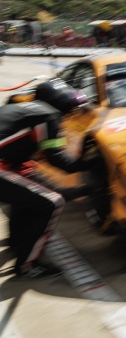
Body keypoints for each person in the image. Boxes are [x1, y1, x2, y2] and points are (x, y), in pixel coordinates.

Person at [0, 78, 90, 278]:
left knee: (27, 194)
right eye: (71, 109)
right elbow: (58, 160)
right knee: (52, 202)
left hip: (5, 163)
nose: (71, 114)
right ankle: (28, 266)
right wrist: (90, 161)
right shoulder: (49, 115)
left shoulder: (22, 107)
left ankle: (18, 243)